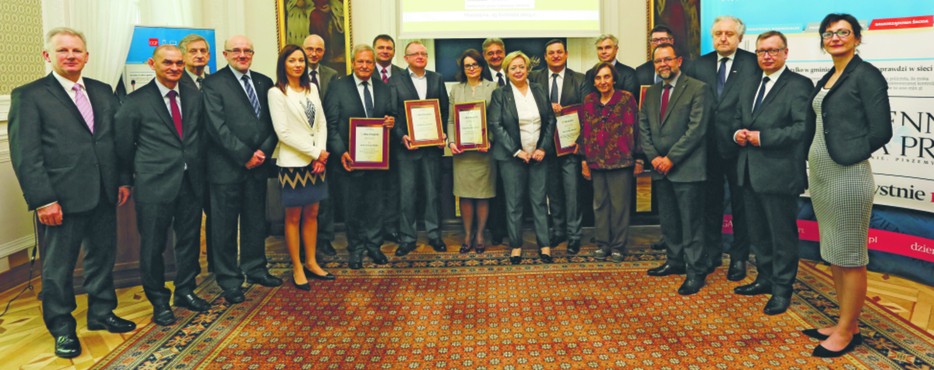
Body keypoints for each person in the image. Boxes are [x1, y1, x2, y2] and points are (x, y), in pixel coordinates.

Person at [8, 27, 135, 358]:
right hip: (60, 198)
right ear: (48, 56)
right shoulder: (30, 95)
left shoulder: (103, 91)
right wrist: (43, 199)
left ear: (86, 56)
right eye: (63, 51)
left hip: (104, 192)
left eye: (77, 51)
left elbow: (115, 142)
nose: (71, 56)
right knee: (58, 268)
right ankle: (62, 328)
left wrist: (122, 179)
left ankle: (101, 312)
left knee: (102, 257)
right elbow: (26, 155)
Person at [803, 13, 891, 358]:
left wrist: (845, 156)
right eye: (829, 33)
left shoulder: (866, 75)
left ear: (857, 37)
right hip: (822, 177)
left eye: (843, 32)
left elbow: (881, 130)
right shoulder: (831, 75)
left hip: (848, 176)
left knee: (851, 256)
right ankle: (847, 321)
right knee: (837, 254)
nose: (835, 37)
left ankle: (846, 331)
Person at [115, 44, 211, 326]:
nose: (174, 68)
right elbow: (123, 147)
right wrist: (127, 180)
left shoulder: (195, 96)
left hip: (190, 182)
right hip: (154, 185)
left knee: (189, 241)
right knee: (153, 246)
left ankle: (185, 290)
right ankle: (158, 300)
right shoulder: (135, 102)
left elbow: (200, 137)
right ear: (152, 64)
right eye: (167, 63)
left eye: (179, 63)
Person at [731, 31, 814, 315]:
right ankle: (764, 279)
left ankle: (782, 290)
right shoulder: (750, 83)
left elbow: (802, 128)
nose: (766, 56)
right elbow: (737, 118)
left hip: (779, 174)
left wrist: (762, 137)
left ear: (785, 53)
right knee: (758, 233)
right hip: (749, 172)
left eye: (772, 51)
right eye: (761, 51)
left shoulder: (799, 85)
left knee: (782, 237)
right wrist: (738, 134)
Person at [203, 35, 282, 305]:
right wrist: (245, 155)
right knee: (225, 227)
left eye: (247, 50)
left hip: (258, 167)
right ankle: (229, 279)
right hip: (227, 168)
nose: (242, 55)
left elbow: (274, 122)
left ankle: (256, 268)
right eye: (236, 51)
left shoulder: (263, 81)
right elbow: (216, 126)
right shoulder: (212, 83)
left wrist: (262, 152)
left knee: (255, 221)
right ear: (225, 55)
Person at [640, 43, 711, 295]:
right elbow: (644, 128)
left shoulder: (697, 89)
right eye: (658, 61)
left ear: (678, 60)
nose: (663, 65)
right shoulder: (651, 92)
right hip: (660, 169)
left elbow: (697, 130)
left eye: (667, 60)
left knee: (691, 223)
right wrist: (653, 157)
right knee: (668, 221)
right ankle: (674, 261)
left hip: (687, 169)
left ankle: (695, 271)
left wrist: (671, 158)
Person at [695, 16, 760, 282]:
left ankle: (739, 257)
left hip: (740, 148)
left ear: (740, 38)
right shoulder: (699, 65)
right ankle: (711, 253)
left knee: (741, 205)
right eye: (719, 33)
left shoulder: (753, 64)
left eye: (729, 34)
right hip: (706, 147)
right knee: (709, 204)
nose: (723, 38)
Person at [324, 44, 396, 269]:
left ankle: (374, 245)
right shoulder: (337, 87)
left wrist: (391, 122)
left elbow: (391, 115)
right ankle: (355, 248)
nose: (365, 66)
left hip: (377, 159)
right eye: (360, 61)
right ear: (353, 63)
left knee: (375, 205)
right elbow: (331, 125)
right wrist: (341, 152)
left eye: (368, 62)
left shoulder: (383, 88)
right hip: (349, 161)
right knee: (352, 206)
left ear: (374, 64)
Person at [269, 44, 334, 290]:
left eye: (301, 61)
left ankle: (312, 261)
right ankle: (297, 266)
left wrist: (321, 156)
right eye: (292, 60)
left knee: (313, 214)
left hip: (317, 163)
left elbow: (322, 123)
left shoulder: (312, 88)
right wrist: (316, 152)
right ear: (283, 64)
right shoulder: (276, 93)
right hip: (293, 164)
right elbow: (283, 133)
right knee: (293, 217)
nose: (298, 65)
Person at [488, 51, 556, 264]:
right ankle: (516, 246)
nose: (518, 71)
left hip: (538, 156)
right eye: (513, 68)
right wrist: (517, 151)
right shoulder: (501, 94)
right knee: (514, 203)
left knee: (539, 202)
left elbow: (550, 121)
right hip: (512, 158)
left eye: (521, 67)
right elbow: (496, 125)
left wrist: (543, 148)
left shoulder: (539, 90)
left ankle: (544, 245)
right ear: (507, 71)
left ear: (527, 69)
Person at [391, 41, 450, 256]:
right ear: (405, 58)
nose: (420, 56)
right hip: (407, 149)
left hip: (432, 148)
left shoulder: (437, 78)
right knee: (407, 194)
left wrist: (443, 132)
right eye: (415, 54)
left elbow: (444, 110)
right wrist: (401, 136)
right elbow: (393, 114)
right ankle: (408, 238)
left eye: (423, 53)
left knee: (432, 192)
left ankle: (434, 234)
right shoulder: (395, 81)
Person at [579, 62, 642, 262]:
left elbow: (637, 128)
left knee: (619, 206)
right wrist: (584, 160)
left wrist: (640, 158)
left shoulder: (626, 99)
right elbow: (585, 131)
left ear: (614, 79)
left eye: (606, 77)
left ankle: (618, 247)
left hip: (621, 161)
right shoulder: (589, 100)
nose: (602, 81)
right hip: (596, 161)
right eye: (598, 78)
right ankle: (602, 244)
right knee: (600, 205)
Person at [529, 39, 587, 255]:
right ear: (545, 56)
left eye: (559, 52)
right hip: (544, 144)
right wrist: (546, 107)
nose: (555, 56)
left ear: (566, 54)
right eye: (551, 53)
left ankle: (574, 235)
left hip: (570, 145)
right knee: (553, 193)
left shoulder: (579, 79)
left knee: (572, 193)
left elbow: (585, 111)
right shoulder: (534, 77)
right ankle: (559, 230)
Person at [446, 49, 498, 253]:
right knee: (465, 195)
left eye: (475, 64)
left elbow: (496, 119)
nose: (471, 68)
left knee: (482, 194)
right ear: (463, 68)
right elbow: (450, 119)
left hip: (485, 151)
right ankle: (467, 234)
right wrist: (451, 142)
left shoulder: (493, 87)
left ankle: (480, 234)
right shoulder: (456, 90)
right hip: (462, 153)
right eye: (467, 65)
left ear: (482, 66)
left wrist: (490, 141)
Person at [178, 34, 216, 272]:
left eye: (203, 51)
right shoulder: (175, 82)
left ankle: (217, 266)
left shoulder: (214, 82)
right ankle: (188, 276)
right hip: (187, 168)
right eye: (193, 51)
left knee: (217, 220)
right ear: (183, 55)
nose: (199, 55)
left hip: (216, 165)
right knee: (188, 226)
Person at [302, 34, 340, 257]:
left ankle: (324, 239)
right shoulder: (291, 74)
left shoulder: (331, 75)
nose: (313, 53)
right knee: (304, 195)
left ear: (323, 52)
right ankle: (304, 242)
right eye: (309, 49)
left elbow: (332, 110)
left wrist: (324, 149)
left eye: (318, 49)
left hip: (326, 143)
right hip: (300, 145)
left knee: (325, 195)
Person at [372, 34, 404, 244]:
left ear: (394, 51)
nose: (385, 51)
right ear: (375, 50)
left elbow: (406, 108)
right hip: (371, 142)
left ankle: (391, 227)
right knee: (374, 188)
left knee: (394, 187)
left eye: (389, 48)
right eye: (381, 48)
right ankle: (374, 228)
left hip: (397, 142)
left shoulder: (403, 75)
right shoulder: (364, 72)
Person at [481, 37, 509, 246]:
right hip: (490, 144)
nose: (495, 56)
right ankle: (497, 228)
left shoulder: (516, 73)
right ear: (484, 56)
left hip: (516, 144)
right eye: (490, 53)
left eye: (499, 52)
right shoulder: (478, 78)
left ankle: (512, 227)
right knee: (495, 188)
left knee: (513, 188)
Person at [584, 34, 639, 100]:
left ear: (616, 49)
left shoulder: (629, 73)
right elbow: (588, 100)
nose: (603, 52)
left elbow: (629, 100)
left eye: (607, 47)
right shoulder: (590, 73)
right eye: (600, 48)